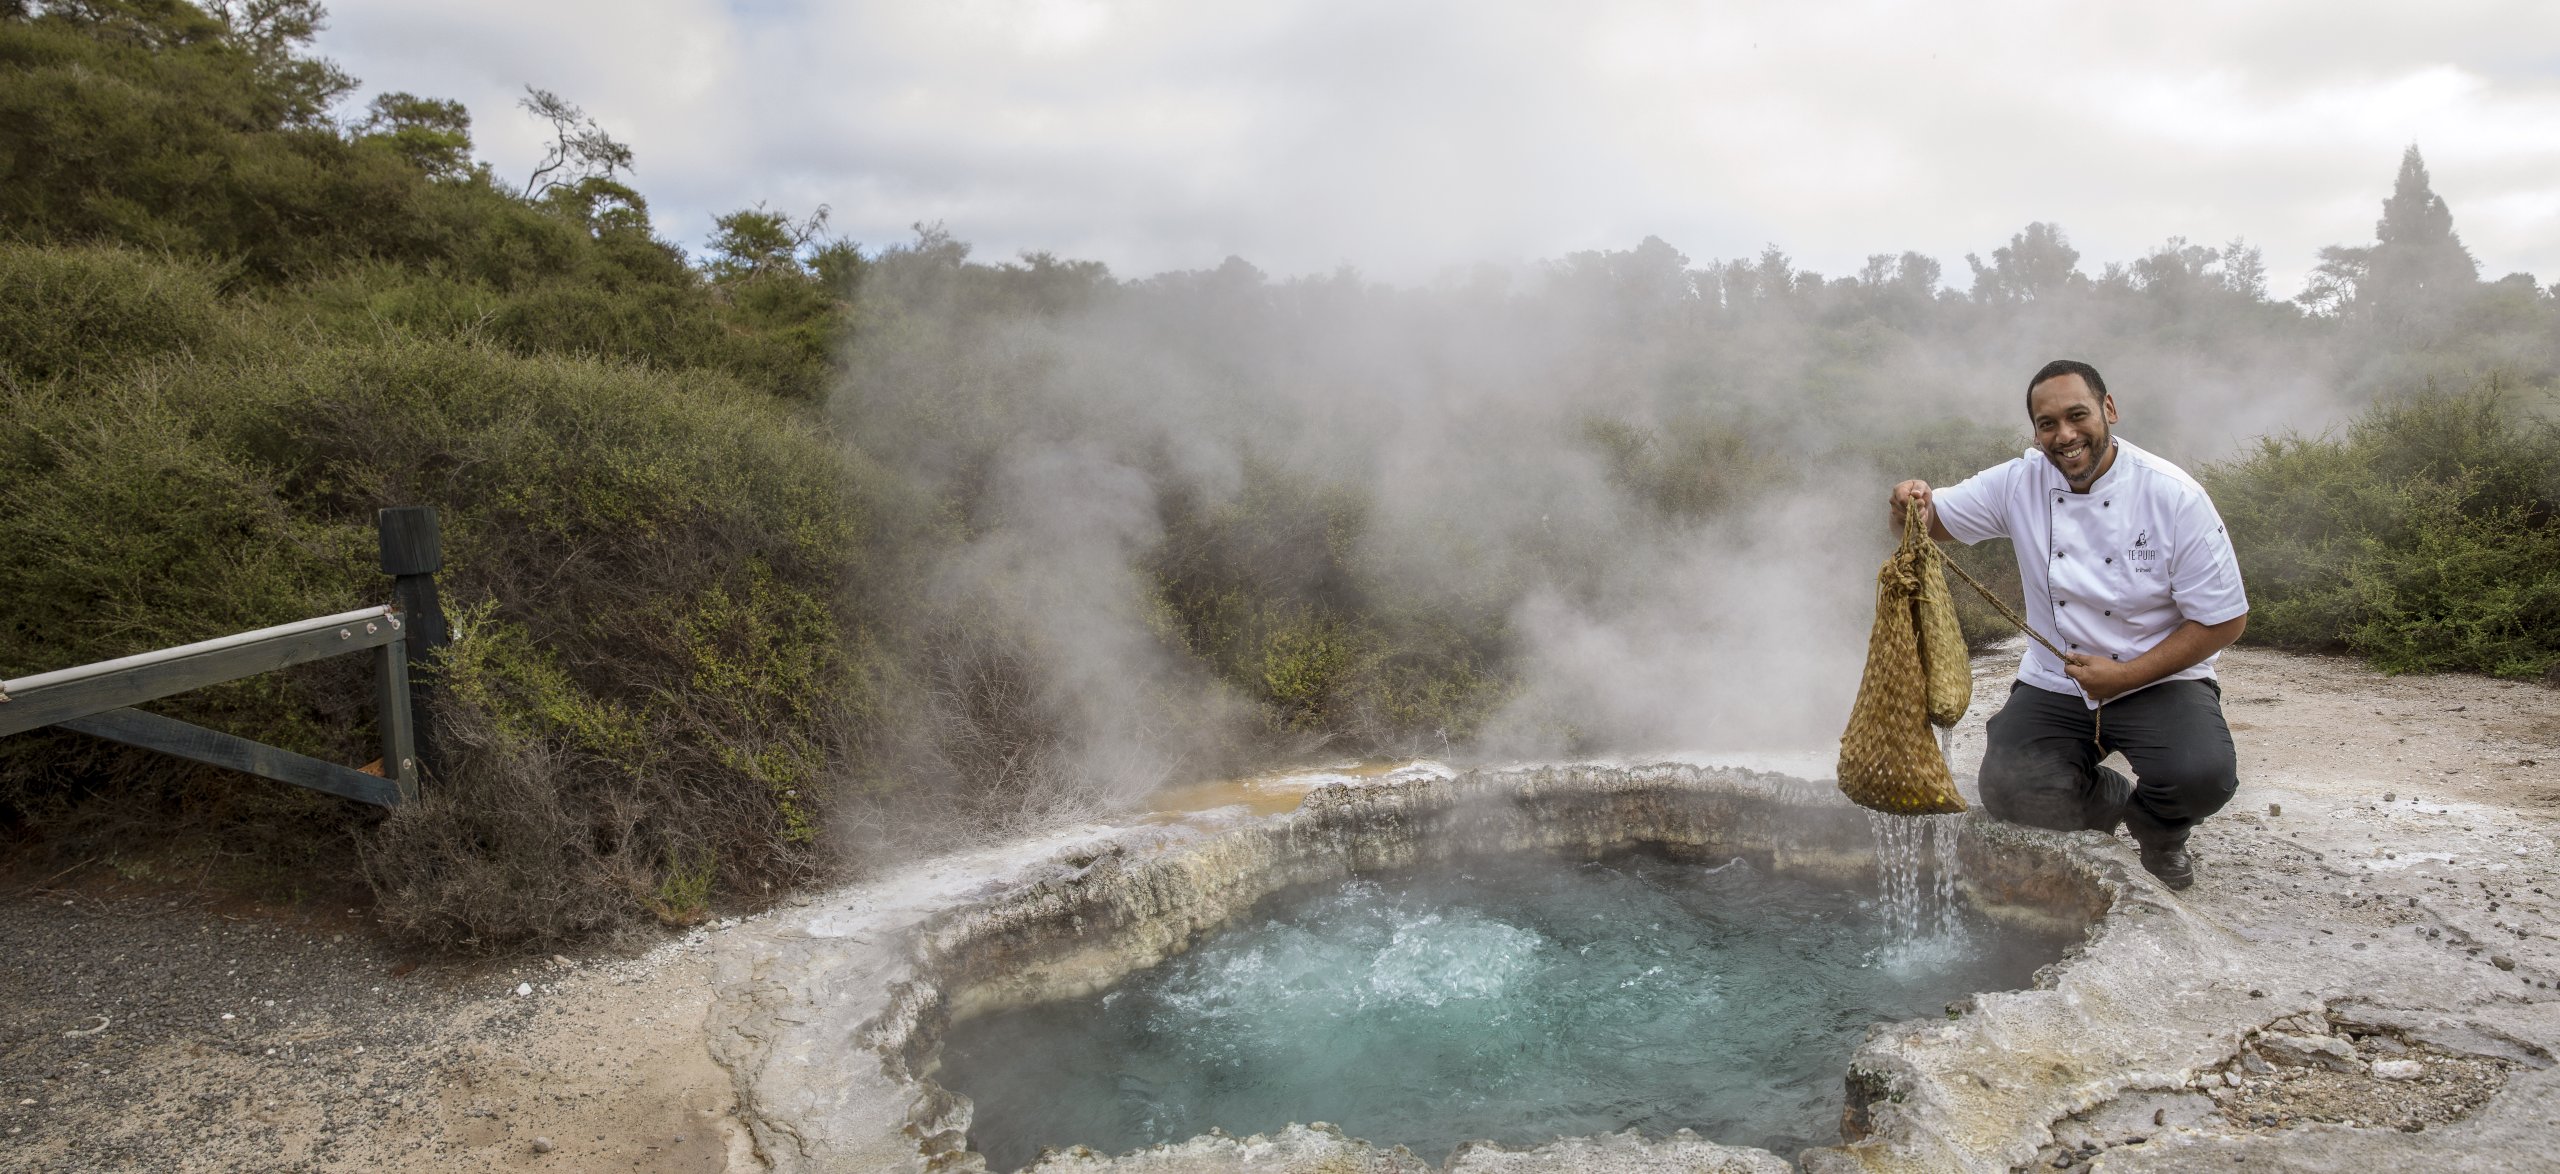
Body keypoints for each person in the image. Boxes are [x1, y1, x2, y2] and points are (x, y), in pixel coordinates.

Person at [1888, 359, 2247, 890]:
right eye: (2047, 423)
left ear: (2109, 409)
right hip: (2058, 679)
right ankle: (2111, 799)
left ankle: (2160, 831)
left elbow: (2225, 620)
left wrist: (2124, 677)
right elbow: (1930, 522)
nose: (2065, 435)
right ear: (2035, 432)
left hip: (2158, 675)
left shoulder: (2172, 495)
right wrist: (1909, 502)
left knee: (2201, 777)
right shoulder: (2019, 481)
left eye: (2077, 415)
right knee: (2011, 791)